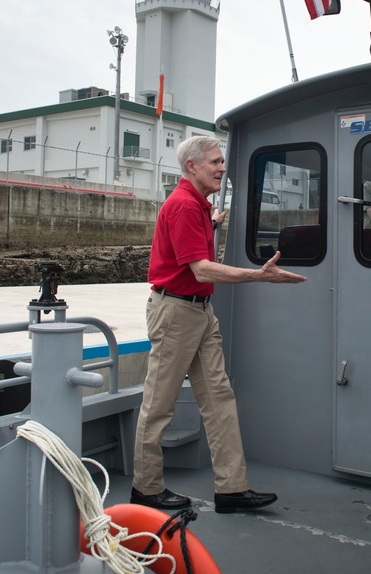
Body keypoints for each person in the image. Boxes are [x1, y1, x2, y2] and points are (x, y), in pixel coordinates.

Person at [131, 135, 307, 514]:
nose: (222, 167)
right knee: (158, 405)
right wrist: (258, 276)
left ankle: (231, 489)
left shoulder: (198, 206)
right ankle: (145, 488)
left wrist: (212, 221)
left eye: (222, 161)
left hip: (199, 310)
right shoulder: (182, 205)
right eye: (214, 162)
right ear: (192, 166)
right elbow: (201, 268)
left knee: (219, 398)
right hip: (176, 312)